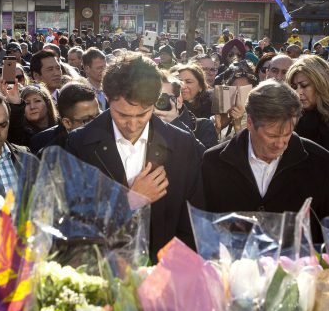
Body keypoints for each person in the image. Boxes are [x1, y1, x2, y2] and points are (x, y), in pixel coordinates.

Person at [66, 51, 203, 259]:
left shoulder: (182, 144)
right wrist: (130, 201)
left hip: (164, 274)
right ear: (106, 98)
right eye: (122, 115)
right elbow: (72, 221)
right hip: (102, 270)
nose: (132, 124)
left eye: (143, 114)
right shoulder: (79, 144)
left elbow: (192, 223)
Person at [202, 80, 329, 244]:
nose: (280, 143)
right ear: (250, 122)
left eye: (287, 134)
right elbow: (205, 228)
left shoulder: (318, 161)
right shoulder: (214, 162)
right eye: (272, 135)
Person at [30, 81, 100, 155]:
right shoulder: (48, 154)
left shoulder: (109, 134)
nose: (97, 124)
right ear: (67, 123)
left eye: (99, 116)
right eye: (87, 120)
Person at [154, 72, 218, 150]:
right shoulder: (144, 125)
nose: (157, 103)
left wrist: (176, 124)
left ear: (179, 101)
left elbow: (205, 159)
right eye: (153, 98)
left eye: (162, 98)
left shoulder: (203, 126)